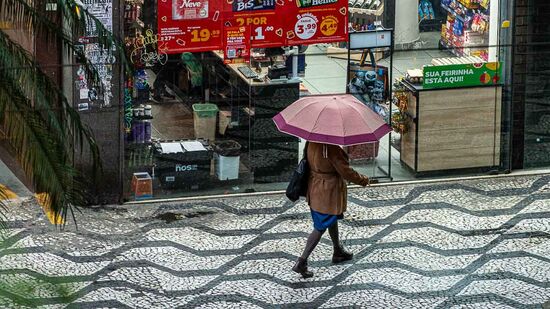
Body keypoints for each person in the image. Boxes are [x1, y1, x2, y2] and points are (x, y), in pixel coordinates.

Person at [292, 142, 370, 278]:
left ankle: (338, 250)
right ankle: (302, 261)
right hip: (328, 192)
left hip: (315, 188)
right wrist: (363, 180)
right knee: (320, 226)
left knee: (331, 218)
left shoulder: (311, 142)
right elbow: (345, 171)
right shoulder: (331, 148)